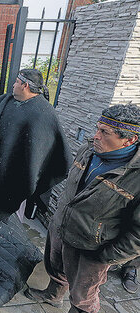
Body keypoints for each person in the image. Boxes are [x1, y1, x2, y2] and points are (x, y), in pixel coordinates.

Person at [25, 104, 140, 313]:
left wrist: (108, 256)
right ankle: (53, 296)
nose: (95, 136)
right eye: (97, 128)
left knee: (83, 296)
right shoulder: (89, 149)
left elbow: (138, 234)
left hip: (92, 249)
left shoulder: (136, 176)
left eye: (104, 132)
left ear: (129, 139)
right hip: (62, 227)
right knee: (56, 269)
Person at [0, 68, 71, 221]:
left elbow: (47, 153)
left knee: (11, 217)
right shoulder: (7, 102)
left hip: (18, 176)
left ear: (25, 86)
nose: (13, 85)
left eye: (17, 82)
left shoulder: (43, 113)